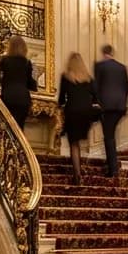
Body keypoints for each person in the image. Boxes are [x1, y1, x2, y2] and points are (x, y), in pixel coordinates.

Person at [57, 53, 98, 184]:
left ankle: (77, 175)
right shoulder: (89, 79)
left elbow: (61, 99)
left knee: (74, 144)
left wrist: (61, 107)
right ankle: (83, 168)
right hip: (86, 112)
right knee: (81, 141)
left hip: (72, 112)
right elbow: (96, 98)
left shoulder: (66, 77)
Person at [93, 44, 128, 178]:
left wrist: (96, 103)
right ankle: (112, 164)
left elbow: (95, 87)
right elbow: (127, 87)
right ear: (112, 53)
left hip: (106, 106)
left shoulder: (100, 66)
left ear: (103, 53)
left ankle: (113, 169)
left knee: (108, 137)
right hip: (119, 106)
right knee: (111, 135)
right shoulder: (122, 67)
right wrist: (122, 102)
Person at [0, 35, 37, 130]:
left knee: (8, 128)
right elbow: (31, 83)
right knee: (19, 128)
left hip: (9, 97)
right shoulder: (27, 63)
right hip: (23, 99)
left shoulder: (4, 60)